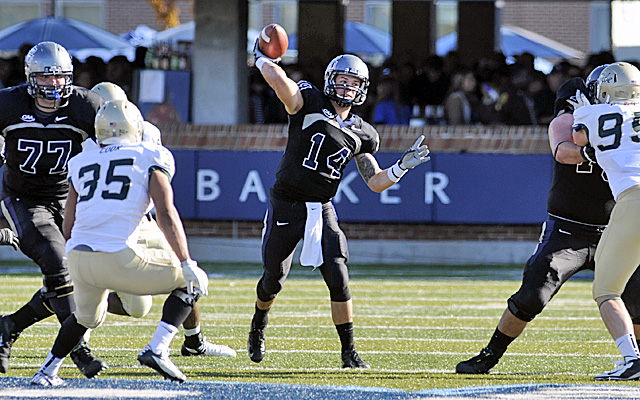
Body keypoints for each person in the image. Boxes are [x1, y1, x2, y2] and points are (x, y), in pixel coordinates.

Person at [248, 43, 431, 368]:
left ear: (362, 89)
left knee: (338, 275)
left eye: (353, 82)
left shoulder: (363, 133)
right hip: (287, 203)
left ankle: (349, 352)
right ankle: (259, 322)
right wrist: (263, 58)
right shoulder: (309, 102)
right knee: (273, 279)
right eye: (342, 80)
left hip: (322, 207)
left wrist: (402, 166)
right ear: (330, 80)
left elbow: (375, 181)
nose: (346, 87)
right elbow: (281, 83)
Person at [455, 64, 640, 375]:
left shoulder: (624, 120)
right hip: (571, 228)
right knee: (532, 294)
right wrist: (597, 149)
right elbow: (564, 146)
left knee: (636, 299)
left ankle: (634, 360)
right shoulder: (579, 115)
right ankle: (490, 354)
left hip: (619, 226)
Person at [31, 99, 210, 386]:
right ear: (136, 128)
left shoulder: (81, 161)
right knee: (190, 281)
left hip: (78, 256)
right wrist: (187, 262)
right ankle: (158, 347)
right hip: (119, 257)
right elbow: (165, 212)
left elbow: (69, 223)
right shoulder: (150, 154)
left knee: (85, 318)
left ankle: (47, 370)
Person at [87, 82, 236, 358]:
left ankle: (194, 341)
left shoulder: (147, 134)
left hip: (142, 218)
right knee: (137, 307)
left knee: (187, 272)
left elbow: (159, 189)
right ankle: (78, 303)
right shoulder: (86, 140)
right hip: (107, 224)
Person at [0, 41, 108, 378]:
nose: (54, 85)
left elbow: (117, 147)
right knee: (56, 260)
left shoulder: (85, 105)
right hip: (22, 199)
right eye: (46, 78)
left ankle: (9, 326)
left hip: (68, 199)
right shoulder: (8, 103)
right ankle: (77, 349)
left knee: (79, 274)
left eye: (61, 77)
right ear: (31, 77)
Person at [572, 62, 640, 380]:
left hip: (634, 201)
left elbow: (578, 140)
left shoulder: (599, 116)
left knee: (607, 289)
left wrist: (580, 114)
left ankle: (631, 359)